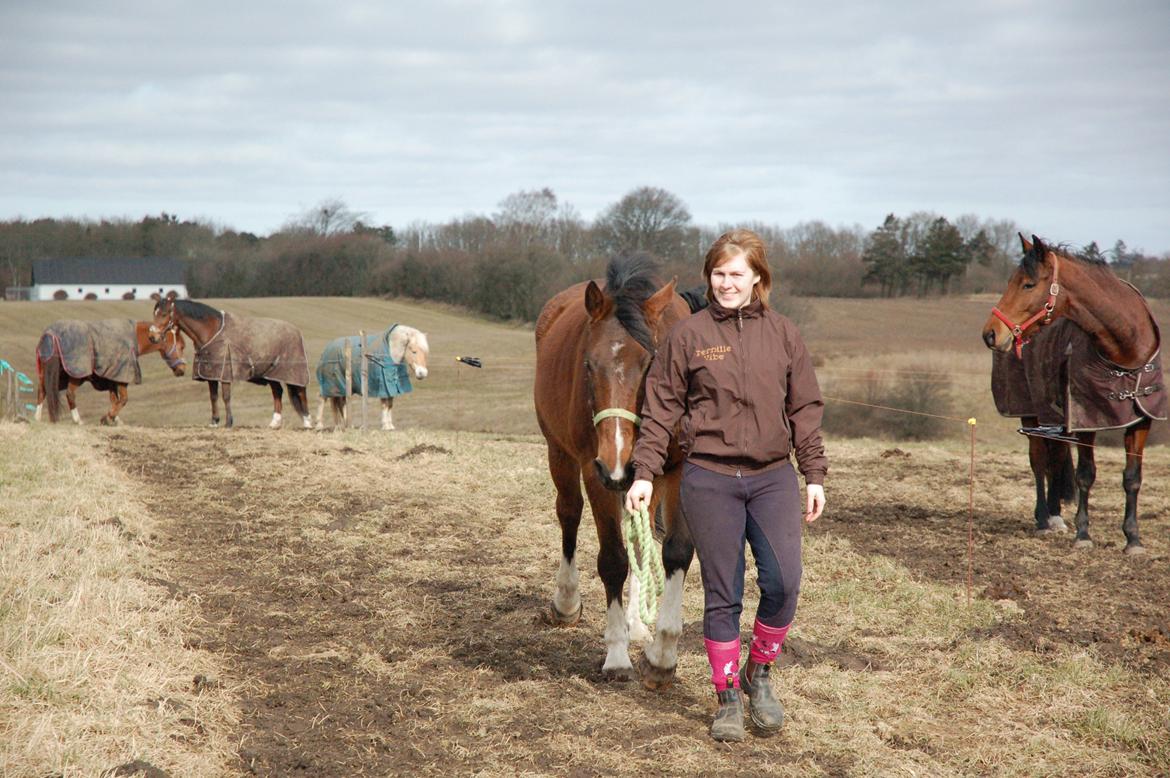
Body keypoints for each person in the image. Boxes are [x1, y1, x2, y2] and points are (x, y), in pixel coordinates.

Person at [625, 228, 826, 742]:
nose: (727, 283)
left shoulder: (783, 334)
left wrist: (814, 473)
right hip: (709, 478)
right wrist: (644, 472)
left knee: (783, 583)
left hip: (771, 477)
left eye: (737, 274)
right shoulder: (688, 336)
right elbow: (660, 409)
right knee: (723, 592)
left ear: (758, 277)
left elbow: (803, 407)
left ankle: (761, 671)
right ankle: (728, 695)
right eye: (718, 274)